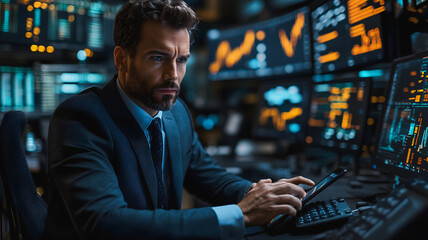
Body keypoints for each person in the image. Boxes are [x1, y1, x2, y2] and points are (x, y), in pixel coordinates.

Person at [43, 0, 314, 239]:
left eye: (181, 60)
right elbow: (105, 223)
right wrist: (240, 214)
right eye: (158, 58)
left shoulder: (176, 113)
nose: (173, 74)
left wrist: (259, 194)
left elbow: (206, 175)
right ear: (122, 59)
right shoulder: (82, 119)